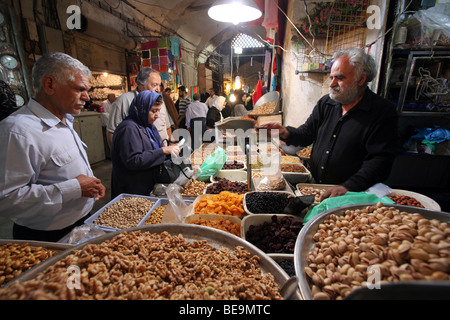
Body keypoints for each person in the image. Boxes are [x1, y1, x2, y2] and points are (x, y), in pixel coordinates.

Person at [259, 48, 398, 201]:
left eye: (339, 78)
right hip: (317, 188)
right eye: (331, 77)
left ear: (361, 79)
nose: (332, 84)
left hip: (354, 197)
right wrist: (285, 132)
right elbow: (307, 133)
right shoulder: (327, 103)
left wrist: (348, 187)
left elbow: (380, 162)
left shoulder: (381, 112)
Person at [0, 52, 106, 242]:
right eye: (79, 89)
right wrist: (74, 188)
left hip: (81, 224)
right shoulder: (18, 131)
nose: (87, 97)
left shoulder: (64, 120)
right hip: (46, 237)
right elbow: (7, 199)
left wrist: (90, 185)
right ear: (50, 84)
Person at [110, 90, 180, 198]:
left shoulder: (149, 127)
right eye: (153, 111)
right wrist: (163, 151)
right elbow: (133, 160)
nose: (157, 115)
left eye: (158, 111)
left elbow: (156, 149)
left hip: (147, 184)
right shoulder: (128, 128)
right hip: (132, 188)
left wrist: (169, 149)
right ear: (142, 108)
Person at [107, 68, 172, 147]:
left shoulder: (159, 99)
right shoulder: (124, 101)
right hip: (140, 155)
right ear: (141, 84)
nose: (158, 89)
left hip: (163, 152)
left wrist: (171, 143)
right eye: (154, 85)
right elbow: (112, 132)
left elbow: (167, 127)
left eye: (159, 85)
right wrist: (117, 156)